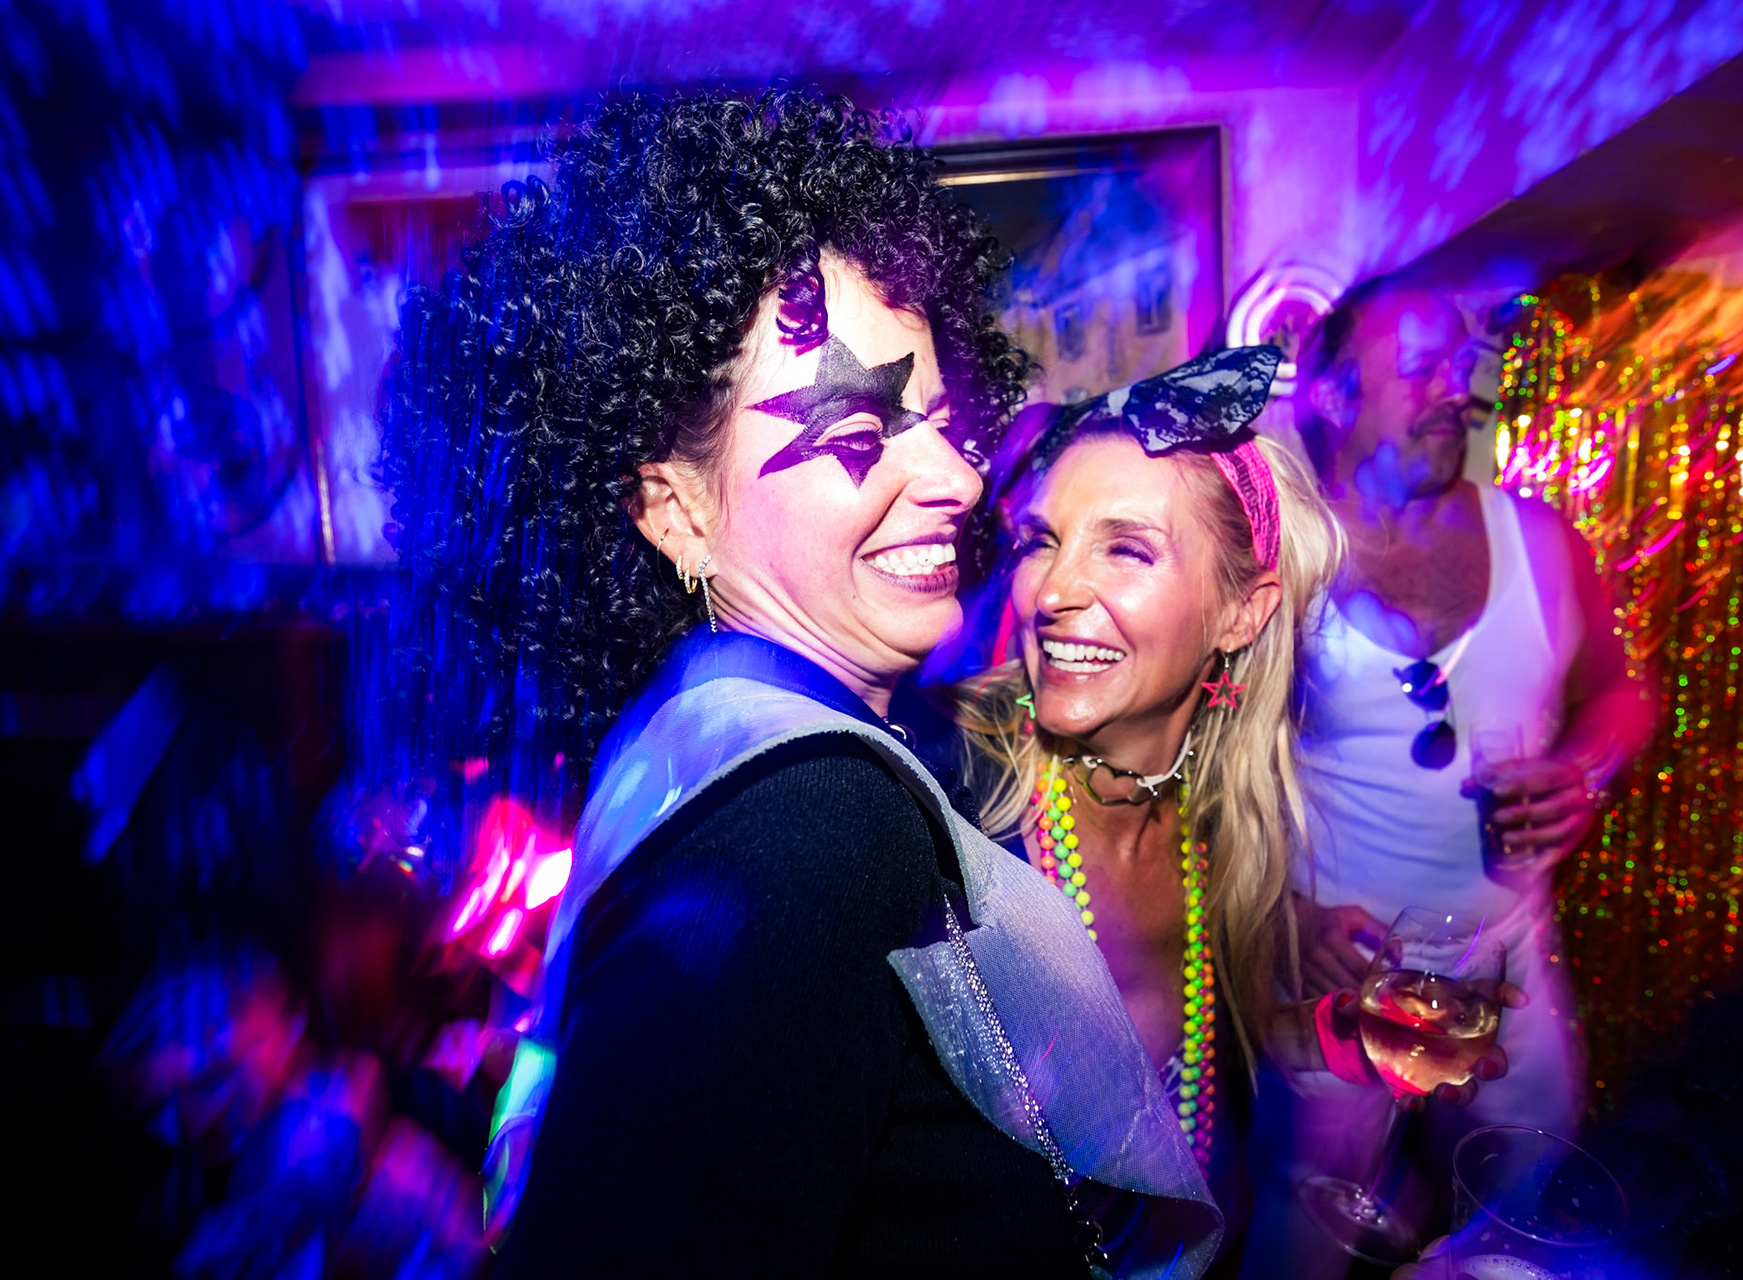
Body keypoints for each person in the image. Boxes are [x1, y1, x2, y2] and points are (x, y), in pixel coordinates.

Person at [381, 89, 1225, 1278]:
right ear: (675, 507)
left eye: (941, 422)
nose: (959, 480)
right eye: (860, 432)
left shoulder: (698, 735)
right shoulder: (815, 827)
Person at [953, 347, 1512, 1272]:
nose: (1052, 592)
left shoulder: (1222, 825)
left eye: (1125, 548)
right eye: (1043, 540)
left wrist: (1341, 1036)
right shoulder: (948, 799)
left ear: (1241, 614)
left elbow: (1182, 1066)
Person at [1282, 277, 1654, 1249]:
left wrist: (1584, 769)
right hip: (1335, 981)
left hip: (1506, 973)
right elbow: (1202, 777)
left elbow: (1624, 694)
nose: (1457, 388)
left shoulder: (1543, 541)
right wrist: (1282, 919)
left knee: (1525, 1228)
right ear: (1334, 394)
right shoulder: (1280, 562)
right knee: (1304, 1242)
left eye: (1461, 364)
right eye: (1420, 367)